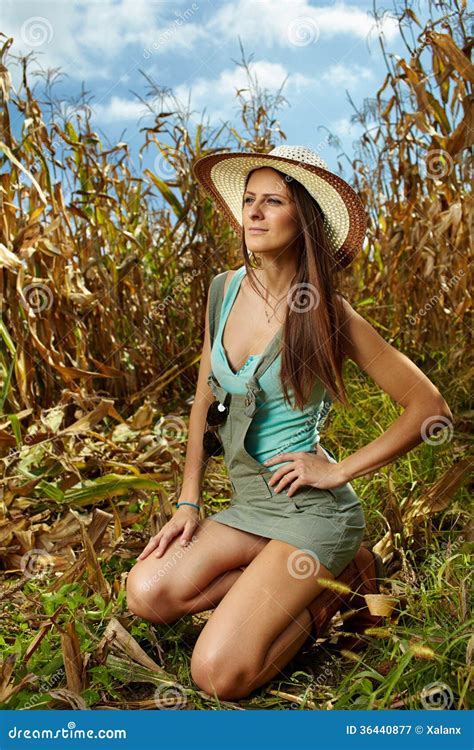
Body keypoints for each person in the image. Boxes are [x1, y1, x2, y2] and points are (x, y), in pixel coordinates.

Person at [126, 145, 453, 701]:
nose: (252, 212)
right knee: (148, 592)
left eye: (271, 201)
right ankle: (285, 583)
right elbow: (205, 398)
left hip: (309, 511)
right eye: (249, 200)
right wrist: (188, 501)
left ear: (303, 219)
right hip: (252, 504)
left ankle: (341, 580)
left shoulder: (328, 314)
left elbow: (429, 409)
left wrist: (337, 471)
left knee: (217, 675)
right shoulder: (223, 291)